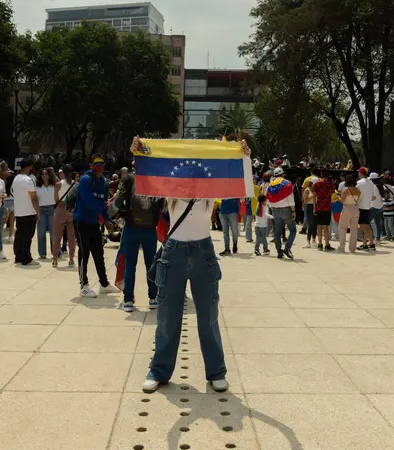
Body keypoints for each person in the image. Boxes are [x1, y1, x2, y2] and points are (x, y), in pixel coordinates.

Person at [137, 136, 251, 395]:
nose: (192, 178)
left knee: (208, 317)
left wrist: (243, 156)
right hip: (174, 252)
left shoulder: (212, 193)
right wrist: (139, 150)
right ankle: (158, 370)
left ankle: (216, 372)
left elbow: (242, 184)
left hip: (203, 251)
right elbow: (148, 174)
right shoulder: (170, 191)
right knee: (167, 317)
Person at [73, 154, 120, 297]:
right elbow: (89, 203)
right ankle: (84, 285)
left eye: (102, 164)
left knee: (99, 253)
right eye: (96, 164)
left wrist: (107, 220)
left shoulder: (104, 182)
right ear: (91, 166)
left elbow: (103, 205)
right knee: (84, 254)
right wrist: (103, 205)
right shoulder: (86, 180)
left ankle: (104, 284)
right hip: (81, 222)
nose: (99, 167)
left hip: (94, 222)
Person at [117, 171, 163, 313]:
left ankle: (128, 300)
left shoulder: (129, 179)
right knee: (151, 264)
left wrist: (126, 215)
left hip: (132, 228)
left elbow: (118, 202)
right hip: (149, 230)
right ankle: (153, 298)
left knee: (130, 265)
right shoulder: (155, 177)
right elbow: (161, 202)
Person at [11, 158, 40, 266]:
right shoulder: (28, 180)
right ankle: (26, 257)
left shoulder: (16, 179)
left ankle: (18, 256)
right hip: (29, 211)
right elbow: (34, 198)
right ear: (29, 167)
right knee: (28, 235)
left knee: (19, 234)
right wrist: (38, 212)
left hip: (19, 211)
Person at [266, 167, 296, 259]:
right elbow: (291, 200)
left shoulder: (270, 185)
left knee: (277, 232)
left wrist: (273, 209)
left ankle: (279, 252)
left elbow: (269, 201)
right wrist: (293, 210)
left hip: (275, 210)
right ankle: (287, 248)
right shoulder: (287, 184)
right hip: (286, 209)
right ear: (283, 174)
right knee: (292, 230)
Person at [52, 164, 77, 268]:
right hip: (72, 210)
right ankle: (71, 260)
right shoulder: (76, 184)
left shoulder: (58, 184)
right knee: (72, 237)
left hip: (61, 209)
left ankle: (54, 260)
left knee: (57, 236)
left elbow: (56, 200)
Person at [312, 170, 336, 251]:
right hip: (327, 207)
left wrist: (314, 208)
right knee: (326, 227)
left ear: (321, 175)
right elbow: (332, 194)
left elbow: (314, 196)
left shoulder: (317, 184)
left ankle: (319, 243)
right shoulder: (331, 185)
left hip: (319, 207)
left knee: (319, 227)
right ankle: (327, 244)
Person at [35, 168, 56, 260]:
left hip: (52, 209)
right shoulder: (37, 187)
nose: (44, 175)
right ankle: (42, 253)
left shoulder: (54, 186)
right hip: (41, 210)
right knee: (41, 233)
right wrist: (37, 212)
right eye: (42, 174)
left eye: (46, 174)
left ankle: (55, 251)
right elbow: (35, 200)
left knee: (54, 233)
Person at [338, 175, 361, 253]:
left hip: (347, 208)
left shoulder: (345, 189)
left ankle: (342, 247)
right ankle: (352, 248)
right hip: (355, 209)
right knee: (354, 230)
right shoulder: (358, 190)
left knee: (342, 228)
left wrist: (338, 198)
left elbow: (342, 200)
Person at [357, 167, 376, 251]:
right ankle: (371, 243)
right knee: (367, 225)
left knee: (362, 226)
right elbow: (373, 196)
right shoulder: (371, 183)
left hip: (361, 206)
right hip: (368, 206)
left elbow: (357, 194)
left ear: (361, 173)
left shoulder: (359, 182)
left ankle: (365, 244)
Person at [369, 173, 384, 246]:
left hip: (374, 207)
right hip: (380, 207)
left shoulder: (374, 186)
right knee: (378, 224)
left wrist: (366, 198)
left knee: (366, 223)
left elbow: (373, 197)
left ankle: (372, 238)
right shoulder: (380, 186)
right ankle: (378, 239)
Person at [302, 180, 317, 248]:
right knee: (311, 224)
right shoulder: (307, 190)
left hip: (316, 206)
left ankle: (314, 240)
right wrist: (312, 196)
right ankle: (308, 241)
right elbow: (305, 201)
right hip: (309, 206)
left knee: (315, 224)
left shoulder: (316, 189)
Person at [0, 165, 7, 259]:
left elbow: (4, 193)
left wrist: (3, 196)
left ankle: (1, 251)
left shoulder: (1, 182)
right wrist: (2, 196)